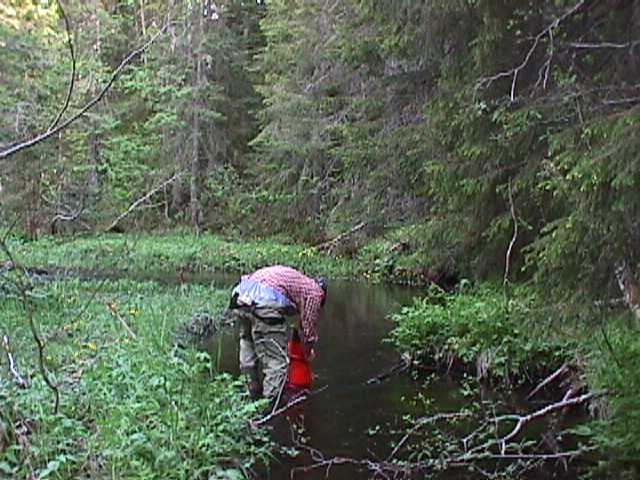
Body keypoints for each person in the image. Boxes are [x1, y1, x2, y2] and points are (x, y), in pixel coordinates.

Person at [228, 265, 327, 400]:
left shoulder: (299, 281)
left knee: (248, 344)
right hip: (263, 302)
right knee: (277, 363)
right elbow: (308, 329)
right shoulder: (315, 293)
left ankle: (249, 393)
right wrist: (308, 352)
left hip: (240, 295)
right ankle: (270, 406)